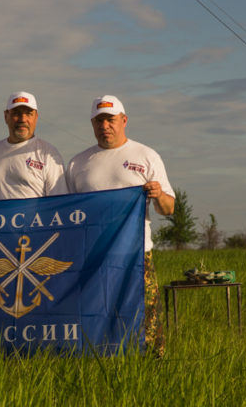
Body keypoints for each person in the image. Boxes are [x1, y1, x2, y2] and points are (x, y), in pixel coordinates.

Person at [65, 95, 175, 356]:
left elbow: (169, 209)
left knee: (146, 317)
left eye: (111, 120)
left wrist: (158, 194)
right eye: (99, 120)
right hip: (92, 257)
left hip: (136, 257)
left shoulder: (147, 156)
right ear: (92, 124)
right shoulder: (78, 163)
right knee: (95, 316)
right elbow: (70, 213)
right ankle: (99, 363)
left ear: (124, 121)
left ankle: (153, 367)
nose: (105, 126)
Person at [0, 92, 67, 199]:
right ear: (6, 116)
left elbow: (59, 201)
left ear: (36, 117)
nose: (22, 119)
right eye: (16, 113)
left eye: (28, 114)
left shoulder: (48, 153)